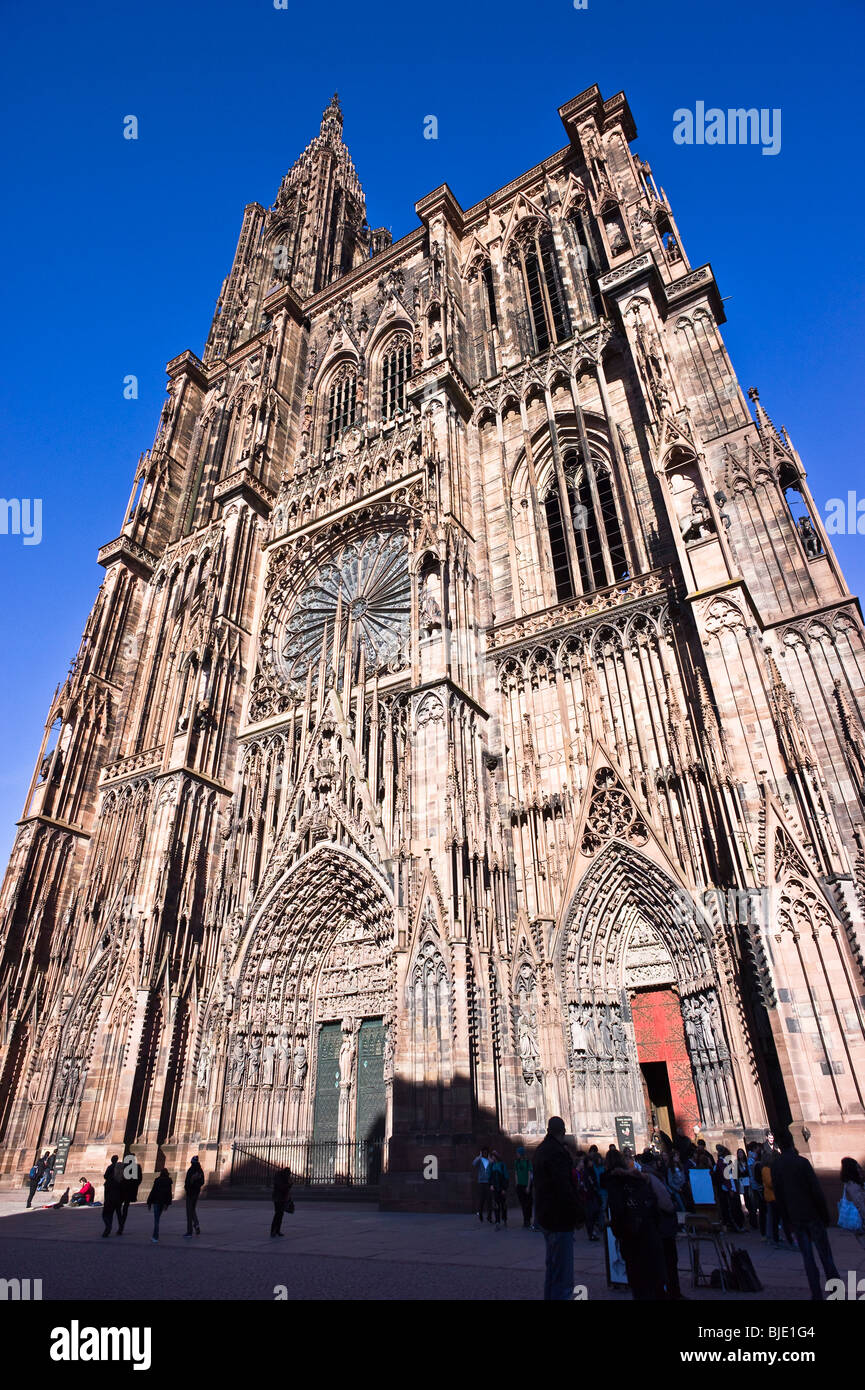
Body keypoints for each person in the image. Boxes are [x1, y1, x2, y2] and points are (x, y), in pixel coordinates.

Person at [772, 1131, 840, 1300]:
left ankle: (816, 1294)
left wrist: (786, 1222)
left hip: (795, 1218)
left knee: (808, 1259)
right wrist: (825, 1215)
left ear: (779, 1145)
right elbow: (816, 1191)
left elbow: (779, 1198)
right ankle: (837, 1293)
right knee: (827, 1258)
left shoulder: (776, 1166)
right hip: (813, 1215)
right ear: (792, 1143)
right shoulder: (802, 1162)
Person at [606, 1149, 666, 1300]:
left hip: (633, 1240)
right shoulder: (641, 1180)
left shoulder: (616, 1184)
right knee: (653, 1282)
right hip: (650, 1237)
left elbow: (617, 1212)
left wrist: (619, 1233)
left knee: (639, 1285)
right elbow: (658, 1206)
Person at [532, 1116, 581, 1301]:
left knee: (553, 1270)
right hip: (559, 1218)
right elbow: (564, 1188)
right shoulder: (557, 1153)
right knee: (563, 1276)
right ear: (563, 1131)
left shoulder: (540, 1151)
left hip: (545, 1217)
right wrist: (578, 1214)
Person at [641, 1152, 685, 1299]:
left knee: (659, 1262)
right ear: (653, 1163)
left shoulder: (642, 1178)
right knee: (669, 1261)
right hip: (663, 1226)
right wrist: (672, 1206)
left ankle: (661, 1291)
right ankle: (673, 1292)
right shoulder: (653, 1178)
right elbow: (665, 1203)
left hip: (654, 1227)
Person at [839, 1157, 865, 1241]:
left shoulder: (849, 1184)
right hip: (861, 1223)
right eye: (858, 1168)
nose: (860, 1170)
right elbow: (861, 1205)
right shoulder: (854, 1186)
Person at [117, 1150, 142, 1234]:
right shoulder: (136, 1167)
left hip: (122, 1190)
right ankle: (122, 1224)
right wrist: (134, 1187)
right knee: (125, 1208)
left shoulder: (124, 1166)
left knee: (119, 1207)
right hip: (129, 1191)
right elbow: (139, 1179)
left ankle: (121, 1223)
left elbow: (119, 1178)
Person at [146, 1168, 173, 1243]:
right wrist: (167, 1204)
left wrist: (149, 1202)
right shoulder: (168, 1182)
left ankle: (155, 1236)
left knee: (156, 1220)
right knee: (157, 1218)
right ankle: (155, 1236)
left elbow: (153, 1191)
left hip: (156, 1201)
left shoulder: (157, 1180)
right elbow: (169, 1194)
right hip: (162, 1202)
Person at [579, 1152, 602, 1240]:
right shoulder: (586, 1172)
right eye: (590, 1161)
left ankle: (592, 1232)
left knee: (594, 1213)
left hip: (593, 1195)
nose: (591, 1163)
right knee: (590, 1215)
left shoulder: (591, 1171)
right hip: (589, 1196)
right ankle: (591, 1233)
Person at [101, 1155, 124, 1237]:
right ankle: (120, 1228)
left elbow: (105, 1176)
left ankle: (108, 1227)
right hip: (118, 1198)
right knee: (118, 1213)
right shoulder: (121, 1178)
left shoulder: (110, 1177)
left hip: (110, 1198)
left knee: (107, 1213)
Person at [183, 1156, 205, 1237]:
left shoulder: (192, 1169)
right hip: (196, 1193)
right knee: (192, 1210)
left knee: (189, 1212)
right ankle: (196, 1225)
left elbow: (188, 1181)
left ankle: (189, 1231)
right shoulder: (200, 1170)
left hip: (190, 1193)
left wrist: (191, 1183)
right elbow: (202, 1182)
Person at [472, 1146, 493, 1224]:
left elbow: (492, 1163)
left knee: (489, 1200)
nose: (485, 1153)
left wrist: (489, 1157)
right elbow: (473, 1163)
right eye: (483, 1152)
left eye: (486, 1152)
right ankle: (480, 1213)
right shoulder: (480, 1160)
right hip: (481, 1182)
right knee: (481, 1200)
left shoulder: (489, 1160)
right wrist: (479, 1156)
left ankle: (489, 1217)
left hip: (488, 1182)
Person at [514, 1146, 533, 1228]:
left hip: (526, 1185)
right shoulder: (516, 1162)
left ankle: (528, 1219)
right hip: (520, 1185)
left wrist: (528, 1186)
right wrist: (517, 1183)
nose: (516, 1154)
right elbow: (516, 1173)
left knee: (528, 1203)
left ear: (521, 1154)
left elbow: (530, 1174)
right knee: (523, 1203)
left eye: (517, 1153)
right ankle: (525, 1220)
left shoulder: (528, 1162)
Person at [271, 1166, 293, 1237]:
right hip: (278, 1198)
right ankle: (273, 1231)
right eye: (289, 1174)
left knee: (280, 1215)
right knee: (277, 1214)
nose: (289, 1176)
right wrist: (288, 1185)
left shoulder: (284, 1177)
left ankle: (277, 1230)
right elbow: (281, 1187)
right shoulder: (279, 1177)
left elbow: (285, 1189)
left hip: (282, 1198)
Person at [490, 1151, 509, 1229]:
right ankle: (497, 1221)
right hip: (495, 1189)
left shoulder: (502, 1165)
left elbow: (506, 1177)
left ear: (496, 1157)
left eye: (493, 1156)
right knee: (496, 1205)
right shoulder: (492, 1165)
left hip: (501, 1189)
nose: (492, 1158)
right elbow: (491, 1176)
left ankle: (504, 1219)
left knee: (503, 1205)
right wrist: (491, 1185)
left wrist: (504, 1188)